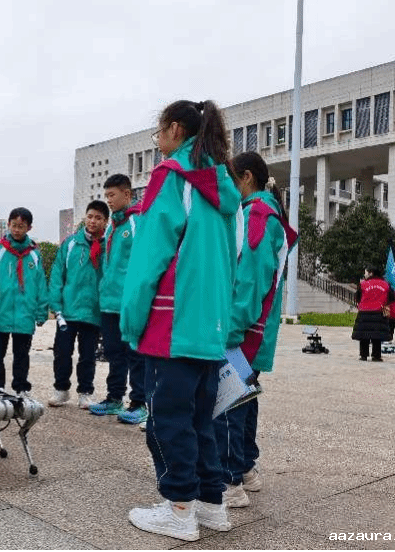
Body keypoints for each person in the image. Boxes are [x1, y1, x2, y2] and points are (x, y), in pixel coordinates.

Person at [121, 100, 241, 541]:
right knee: (201, 419)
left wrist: (132, 318)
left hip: (171, 323)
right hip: (210, 325)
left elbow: (149, 255)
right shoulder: (224, 186)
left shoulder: (171, 176)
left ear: (175, 129)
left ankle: (179, 509)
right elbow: (234, 258)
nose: (159, 143)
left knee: (167, 421)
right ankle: (211, 503)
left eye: (159, 134)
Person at [214, 152, 298, 509]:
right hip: (255, 329)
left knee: (227, 404)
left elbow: (249, 282)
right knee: (243, 400)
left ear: (246, 177)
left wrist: (230, 331)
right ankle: (246, 468)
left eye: (230, 177)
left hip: (244, 330)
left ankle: (229, 481)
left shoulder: (257, 216)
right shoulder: (267, 214)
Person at [88, 174, 147, 425]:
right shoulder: (112, 226)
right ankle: (114, 398)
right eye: (106, 195)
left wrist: (137, 298)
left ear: (127, 194)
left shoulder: (136, 222)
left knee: (134, 352)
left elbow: (143, 262)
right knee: (113, 352)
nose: (109, 200)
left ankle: (140, 402)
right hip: (109, 302)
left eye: (112, 195)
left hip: (128, 301)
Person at [0, 207, 48, 397]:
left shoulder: (34, 254)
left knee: (22, 354)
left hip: (25, 313)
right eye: (14, 225)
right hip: (0, 313)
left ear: (29, 228)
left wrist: (41, 311)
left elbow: (41, 284)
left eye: (21, 226)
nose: (17, 230)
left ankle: (21, 387)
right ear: (8, 224)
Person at [47, 201, 108, 409]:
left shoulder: (108, 246)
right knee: (62, 352)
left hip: (92, 311)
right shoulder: (71, 243)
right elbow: (57, 274)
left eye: (98, 218)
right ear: (85, 218)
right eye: (90, 216)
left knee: (88, 355)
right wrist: (56, 303)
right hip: (68, 310)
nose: (93, 221)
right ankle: (61, 389)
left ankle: (85, 392)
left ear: (105, 221)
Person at [352, 267, 395, 361]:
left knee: (364, 335)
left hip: (364, 312)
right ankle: (376, 356)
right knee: (377, 335)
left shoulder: (363, 284)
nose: (365, 275)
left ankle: (363, 355)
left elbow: (357, 297)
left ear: (371, 273)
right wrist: (384, 303)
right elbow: (392, 297)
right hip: (378, 312)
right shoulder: (385, 284)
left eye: (366, 273)